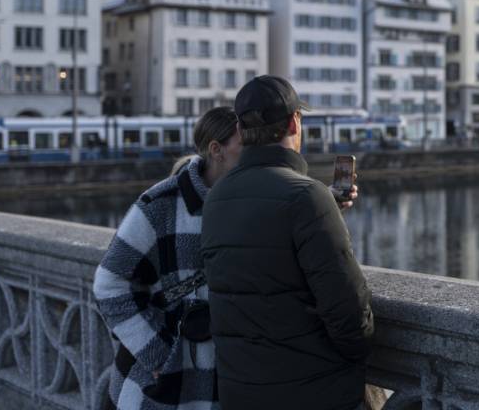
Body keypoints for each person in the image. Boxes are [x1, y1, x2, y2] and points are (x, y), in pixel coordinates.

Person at [201, 75, 374, 410]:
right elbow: (349, 314)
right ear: (295, 122)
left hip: (241, 393)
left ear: (241, 128)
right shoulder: (308, 196)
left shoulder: (217, 197)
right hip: (311, 392)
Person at [93, 107, 240, 409]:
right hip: (166, 389)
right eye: (246, 146)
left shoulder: (249, 202)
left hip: (228, 383)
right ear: (217, 150)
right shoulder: (160, 205)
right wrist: (159, 355)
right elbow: (109, 284)